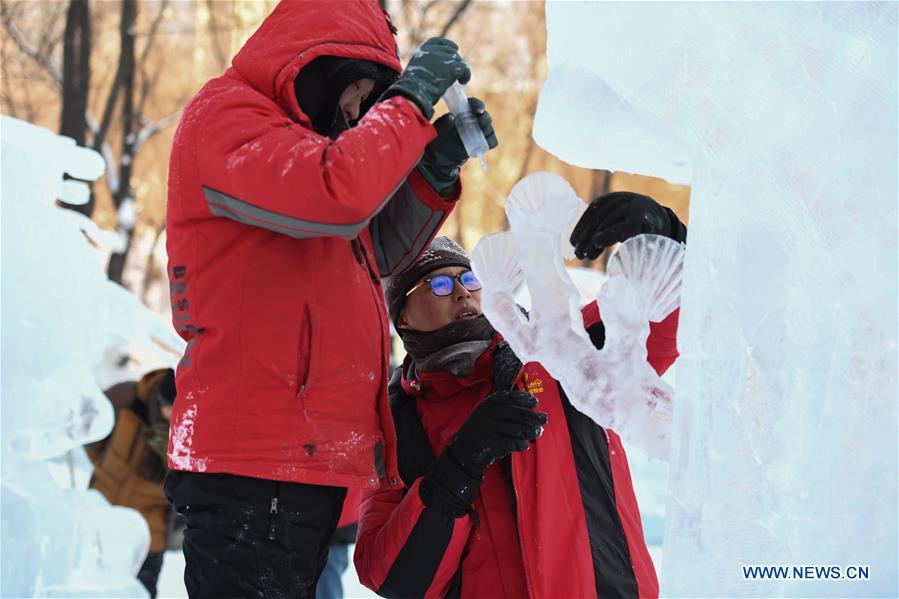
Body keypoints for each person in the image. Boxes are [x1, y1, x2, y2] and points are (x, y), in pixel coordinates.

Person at [162, 1, 497, 597]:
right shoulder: (227, 115)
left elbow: (375, 250)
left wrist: (433, 171)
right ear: (321, 64)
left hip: (297, 458)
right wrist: (411, 101)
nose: (359, 113)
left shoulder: (308, 154)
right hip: (250, 459)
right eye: (363, 92)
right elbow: (339, 195)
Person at [353, 191, 687, 598]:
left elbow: (664, 324)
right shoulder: (395, 423)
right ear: (401, 315)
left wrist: (665, 239)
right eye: (438, 284)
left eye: (470, 278)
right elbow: (389, 576)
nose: (463, 293)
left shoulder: (558, 349)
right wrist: (459, 467)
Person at [87, 368, 177, 599]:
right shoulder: (127, 396)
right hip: (99, 517)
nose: (167, 412)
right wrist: (104, 469)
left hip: (147, 540)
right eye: (164, 404)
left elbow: (187, 492)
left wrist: (169, 455)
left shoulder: (190, 431)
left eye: (174, 409)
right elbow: (91, 428)